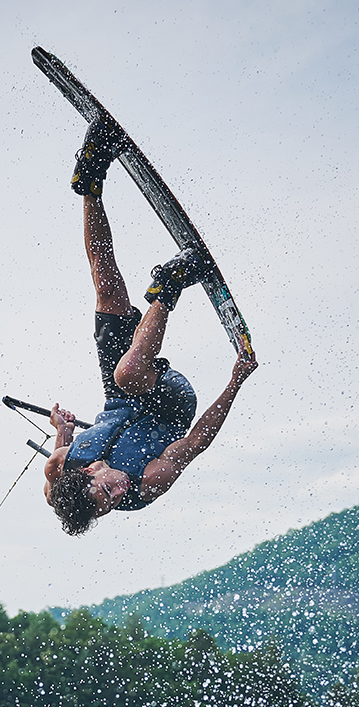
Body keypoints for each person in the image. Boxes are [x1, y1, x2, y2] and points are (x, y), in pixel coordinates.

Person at [44, 119, 259, 536]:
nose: (117, 496)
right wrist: (235, 382)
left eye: (105, 494)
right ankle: (169, 286)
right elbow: (195, 442)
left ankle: (90, 179)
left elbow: (55, 484)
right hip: (170, 404)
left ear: (88, 470)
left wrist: (64, 431)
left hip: (117, 397)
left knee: (107, 293)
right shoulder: (146, 485)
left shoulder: (59, 470)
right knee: (129, 373)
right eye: (110, 506)